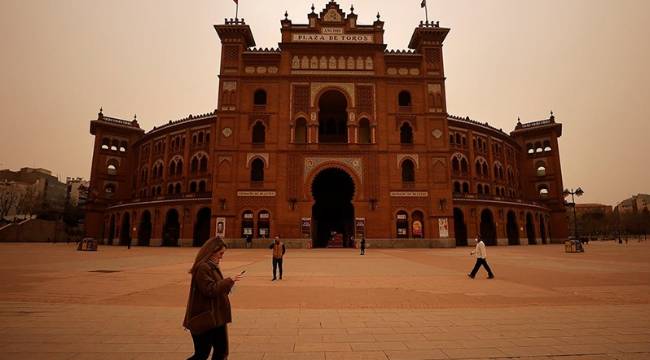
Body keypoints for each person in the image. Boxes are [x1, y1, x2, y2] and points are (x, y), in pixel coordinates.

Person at [183, 237, 243, 360]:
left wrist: (230, 283)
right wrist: (229, 280)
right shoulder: (203, 268)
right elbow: (209, 290)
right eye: (220, 253)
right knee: (202, 354)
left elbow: (216, 288)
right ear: (212, 251)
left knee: (221, 351)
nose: (221, 257)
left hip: (216, 317)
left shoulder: (211, 266)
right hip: (206, 318)